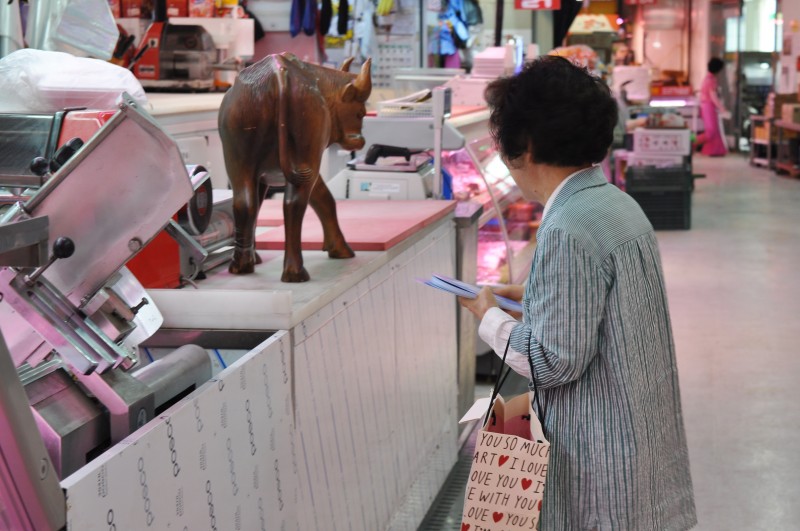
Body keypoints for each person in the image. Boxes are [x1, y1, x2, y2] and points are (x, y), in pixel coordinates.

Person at [460, 56, 697, 530]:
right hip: (639, 440)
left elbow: (553, 362)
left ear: (523, 146)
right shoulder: (614, 204)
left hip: (601, 456)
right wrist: (538, 294)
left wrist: (487, 315)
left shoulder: (568, 226)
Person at [694, 57, 728, 156]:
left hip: (706, 107)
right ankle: (690, 141)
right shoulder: (711, 80)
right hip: (709, 107)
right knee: (711, 131)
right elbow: (713, 96)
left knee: (713, 130)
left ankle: (714, 150)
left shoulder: (707, 78)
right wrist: (721, 108)